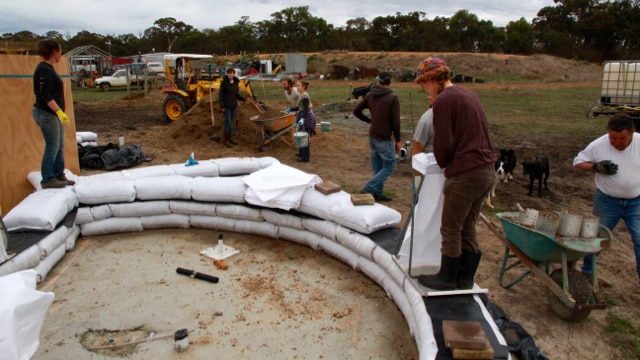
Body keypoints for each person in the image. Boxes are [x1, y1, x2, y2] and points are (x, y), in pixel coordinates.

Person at [414, 57, 495, 290]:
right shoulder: (466, 94)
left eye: (424, 84)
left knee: (450, 227)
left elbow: (443, 143)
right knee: (467, 225)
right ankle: (465, 277)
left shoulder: (444, 101)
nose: (424, 89)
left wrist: (442, 161)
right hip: (485, 170)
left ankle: (447, 278)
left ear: (431, 79)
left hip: (466, 174)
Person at [573, 112, 640, 285]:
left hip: (636, 202)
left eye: (622, 139)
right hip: (607, 201)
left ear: (632, 133)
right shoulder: (599, 145)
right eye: (613, 138)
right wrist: (596, 167)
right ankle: (588, 275)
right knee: (595, 239)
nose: (617, 142)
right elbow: (578, 162)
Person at [32, 39, 74, 189]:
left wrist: (59, 113)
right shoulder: (43, 69)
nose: (60, 55)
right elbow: (45, 95)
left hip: (52, 114)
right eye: (60, 51)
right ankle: (48, 179)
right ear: (55, 52)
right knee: (53, 145)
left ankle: (58, 174)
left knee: (59, 145)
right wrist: (59, 111)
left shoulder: (49, 68)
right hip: (46, 114)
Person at [353, 72, 401, 202]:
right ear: (389, 83)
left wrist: (369, 121)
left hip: (372, 135)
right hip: (384, 137)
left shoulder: (370, 94)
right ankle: (368, 189)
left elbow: (356, 111)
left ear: (378, 81)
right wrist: (398, 139)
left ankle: (377, 193)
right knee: (391, 166)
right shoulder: (392, 97)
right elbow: (395, 122)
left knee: (378, 166)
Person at [289, 80, 316, 162]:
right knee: (302, 135)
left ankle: (305, 157)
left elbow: (306, 109)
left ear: (303, 87)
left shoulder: (305, 96)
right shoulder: (301, 95)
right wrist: (290, 109)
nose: (297, 87)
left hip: (307, 117)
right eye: (297, 85)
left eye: (299, 85)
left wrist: (302, 119)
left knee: (304, 137)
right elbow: (299, 107)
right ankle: (301, 153)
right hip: (304, 116)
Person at [219, 68, 246, 148]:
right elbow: (221, 95)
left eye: (231, 73)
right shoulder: (224, 83)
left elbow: (236, 94)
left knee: (230, 122)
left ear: (234, 74)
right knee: (228, 122)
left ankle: (229, 139)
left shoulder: (235, 83)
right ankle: (226, 140)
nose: (230, 74)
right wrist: (222, 106)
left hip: (233, 106)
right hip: (226, 106)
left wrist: (243, 99)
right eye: (228, 73)